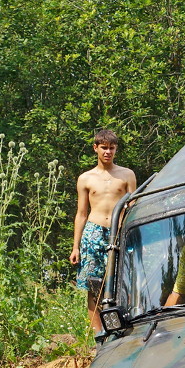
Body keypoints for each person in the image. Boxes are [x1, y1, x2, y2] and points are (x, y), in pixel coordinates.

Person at [70, 129, 136, 331]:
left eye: (112, 148)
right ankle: (98, 335)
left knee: (124, 280)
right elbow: (81, 213)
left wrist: (132, 233)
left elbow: (133, 206)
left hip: (119, 231)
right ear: (95, 148)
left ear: (116, 149)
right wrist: (76, 247)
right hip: (93, 232)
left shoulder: (127, 174)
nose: (108, 152)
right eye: (104, 148)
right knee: (93, 285)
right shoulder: (86, 178)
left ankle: (125, 327)